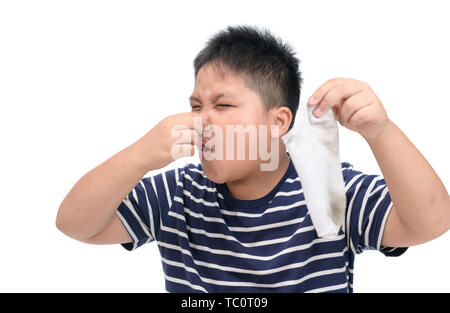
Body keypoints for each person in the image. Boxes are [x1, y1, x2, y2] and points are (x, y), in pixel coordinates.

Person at [55, 25, 450, 293]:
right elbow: (75, 225)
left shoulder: (328, 187)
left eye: (223, 104)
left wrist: (380, 131)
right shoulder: (177, 193)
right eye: (195, 106)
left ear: (278, 121)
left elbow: (430, 223)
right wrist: (139, 156)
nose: (201, 120)